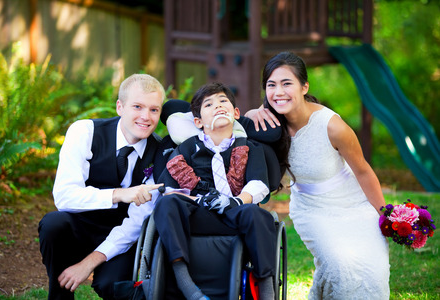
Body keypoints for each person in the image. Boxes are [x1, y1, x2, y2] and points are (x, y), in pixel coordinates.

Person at [245, 51, 390, 299]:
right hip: (311, 209)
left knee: (372, 269)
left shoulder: (332, 126)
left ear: (304, 86)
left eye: (286, 83)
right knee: (341, 264)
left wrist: (387, 216)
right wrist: (250, 115)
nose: (278, 92)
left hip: (352, 203)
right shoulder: (267, 123)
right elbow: (236, 127)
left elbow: (363, 171)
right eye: (271, 85)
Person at [38, 73, 166, 299]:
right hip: (79, 224)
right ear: (120, 107)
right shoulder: (85, 131)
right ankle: (59, 295)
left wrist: (88, 263)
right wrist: (119, 194)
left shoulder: (161, 153)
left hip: (123, 233)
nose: (146, 117)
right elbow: (64, 196)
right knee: (53, 224)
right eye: (137, 106)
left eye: (154, 110)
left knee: (112, 286)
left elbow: (136, 222)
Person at [153, 82, 277, 300]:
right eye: (209, 104)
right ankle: (185, 283)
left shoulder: (250, 147)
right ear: (198, 121)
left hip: (234, 212)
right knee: (166, 204)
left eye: (223, 101)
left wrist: (236, 201)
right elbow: (169, 190)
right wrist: (200, 199)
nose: (218, 106)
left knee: (257, 214)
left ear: (236, 113)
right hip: (197, 214)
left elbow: (258, 184)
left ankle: (266, 288)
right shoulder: (186, 149)